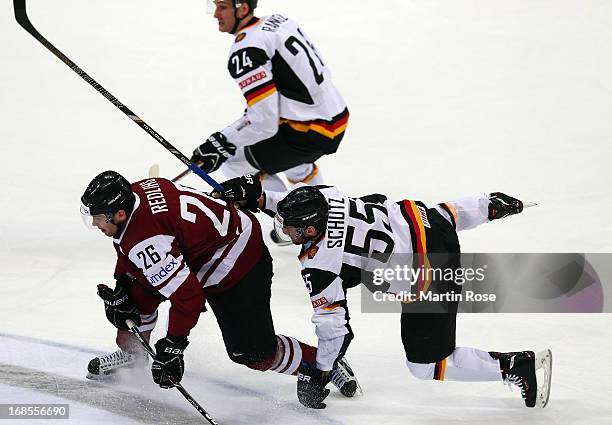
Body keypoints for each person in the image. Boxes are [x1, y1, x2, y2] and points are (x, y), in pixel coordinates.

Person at [214, 176, 553, 409]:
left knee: (426, 364)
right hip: (430, 223)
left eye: (291, 229)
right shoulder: (327, 196)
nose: (284, 232)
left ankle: (514, 365)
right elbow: (293, 204)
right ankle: (488, 205)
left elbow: (334, 328)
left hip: (430, 275)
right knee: (407, 230)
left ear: (312, 230)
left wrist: (320, 371)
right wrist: (485, 206)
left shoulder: (320, 264)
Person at [79, 171, 359, 402]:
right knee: (134, 295)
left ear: (119, 214)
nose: (95, 223)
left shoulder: (146, 239)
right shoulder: (137, 194)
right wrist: (123, 283)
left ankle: (322, 362)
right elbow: (132, 250)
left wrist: (175, 345)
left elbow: (188, 296)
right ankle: (134, 355)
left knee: (252, 353)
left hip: (238, 261)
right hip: (202, 247)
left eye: (99, 217)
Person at [190, 0, 349, 195]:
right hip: (334, 115)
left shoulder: (246, 51)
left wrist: (221, 143)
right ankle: (321, 203)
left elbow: (264, 122)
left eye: (222, 7)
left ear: (244, 9)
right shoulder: (279, 20)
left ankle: (291, 220)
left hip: (311, 131)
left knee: (233, 162)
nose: (216, 14)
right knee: (286, 157)